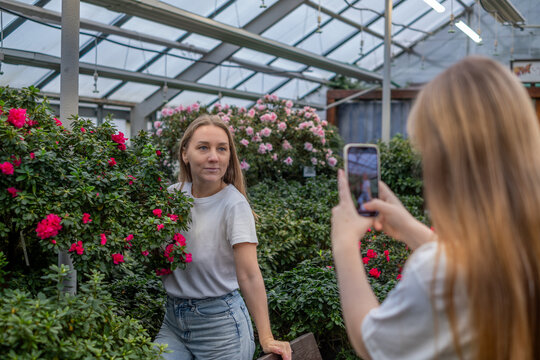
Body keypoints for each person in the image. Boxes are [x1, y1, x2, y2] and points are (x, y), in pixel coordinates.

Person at [331, 56, 540, 360]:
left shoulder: (439, 273)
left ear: (447, 163)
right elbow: (487, 267)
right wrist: (411, 229)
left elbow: (371, 341)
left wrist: (344, 244)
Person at [155, 115, 291, 360]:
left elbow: (249, 274)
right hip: (174, 322)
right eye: (203, 147)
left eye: (222, 149)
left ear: (230, 156)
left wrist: (267, 337)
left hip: (221, 327)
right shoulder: (171, 197)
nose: (213, 157)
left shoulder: (233, 205)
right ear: (185, 154)